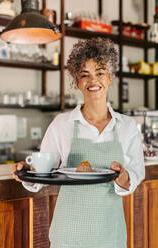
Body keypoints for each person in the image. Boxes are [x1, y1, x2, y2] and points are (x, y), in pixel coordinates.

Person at [12, 37, 145, 248]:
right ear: (77, 81)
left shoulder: (127, 127)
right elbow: (40, 174)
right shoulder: (62, 124)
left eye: (100, 72)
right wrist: (27, 172)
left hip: (110, 233)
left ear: (110, 78)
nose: (93, 80)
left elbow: (135, 177)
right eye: (85, 74)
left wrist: (124, 178)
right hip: (68, 232)